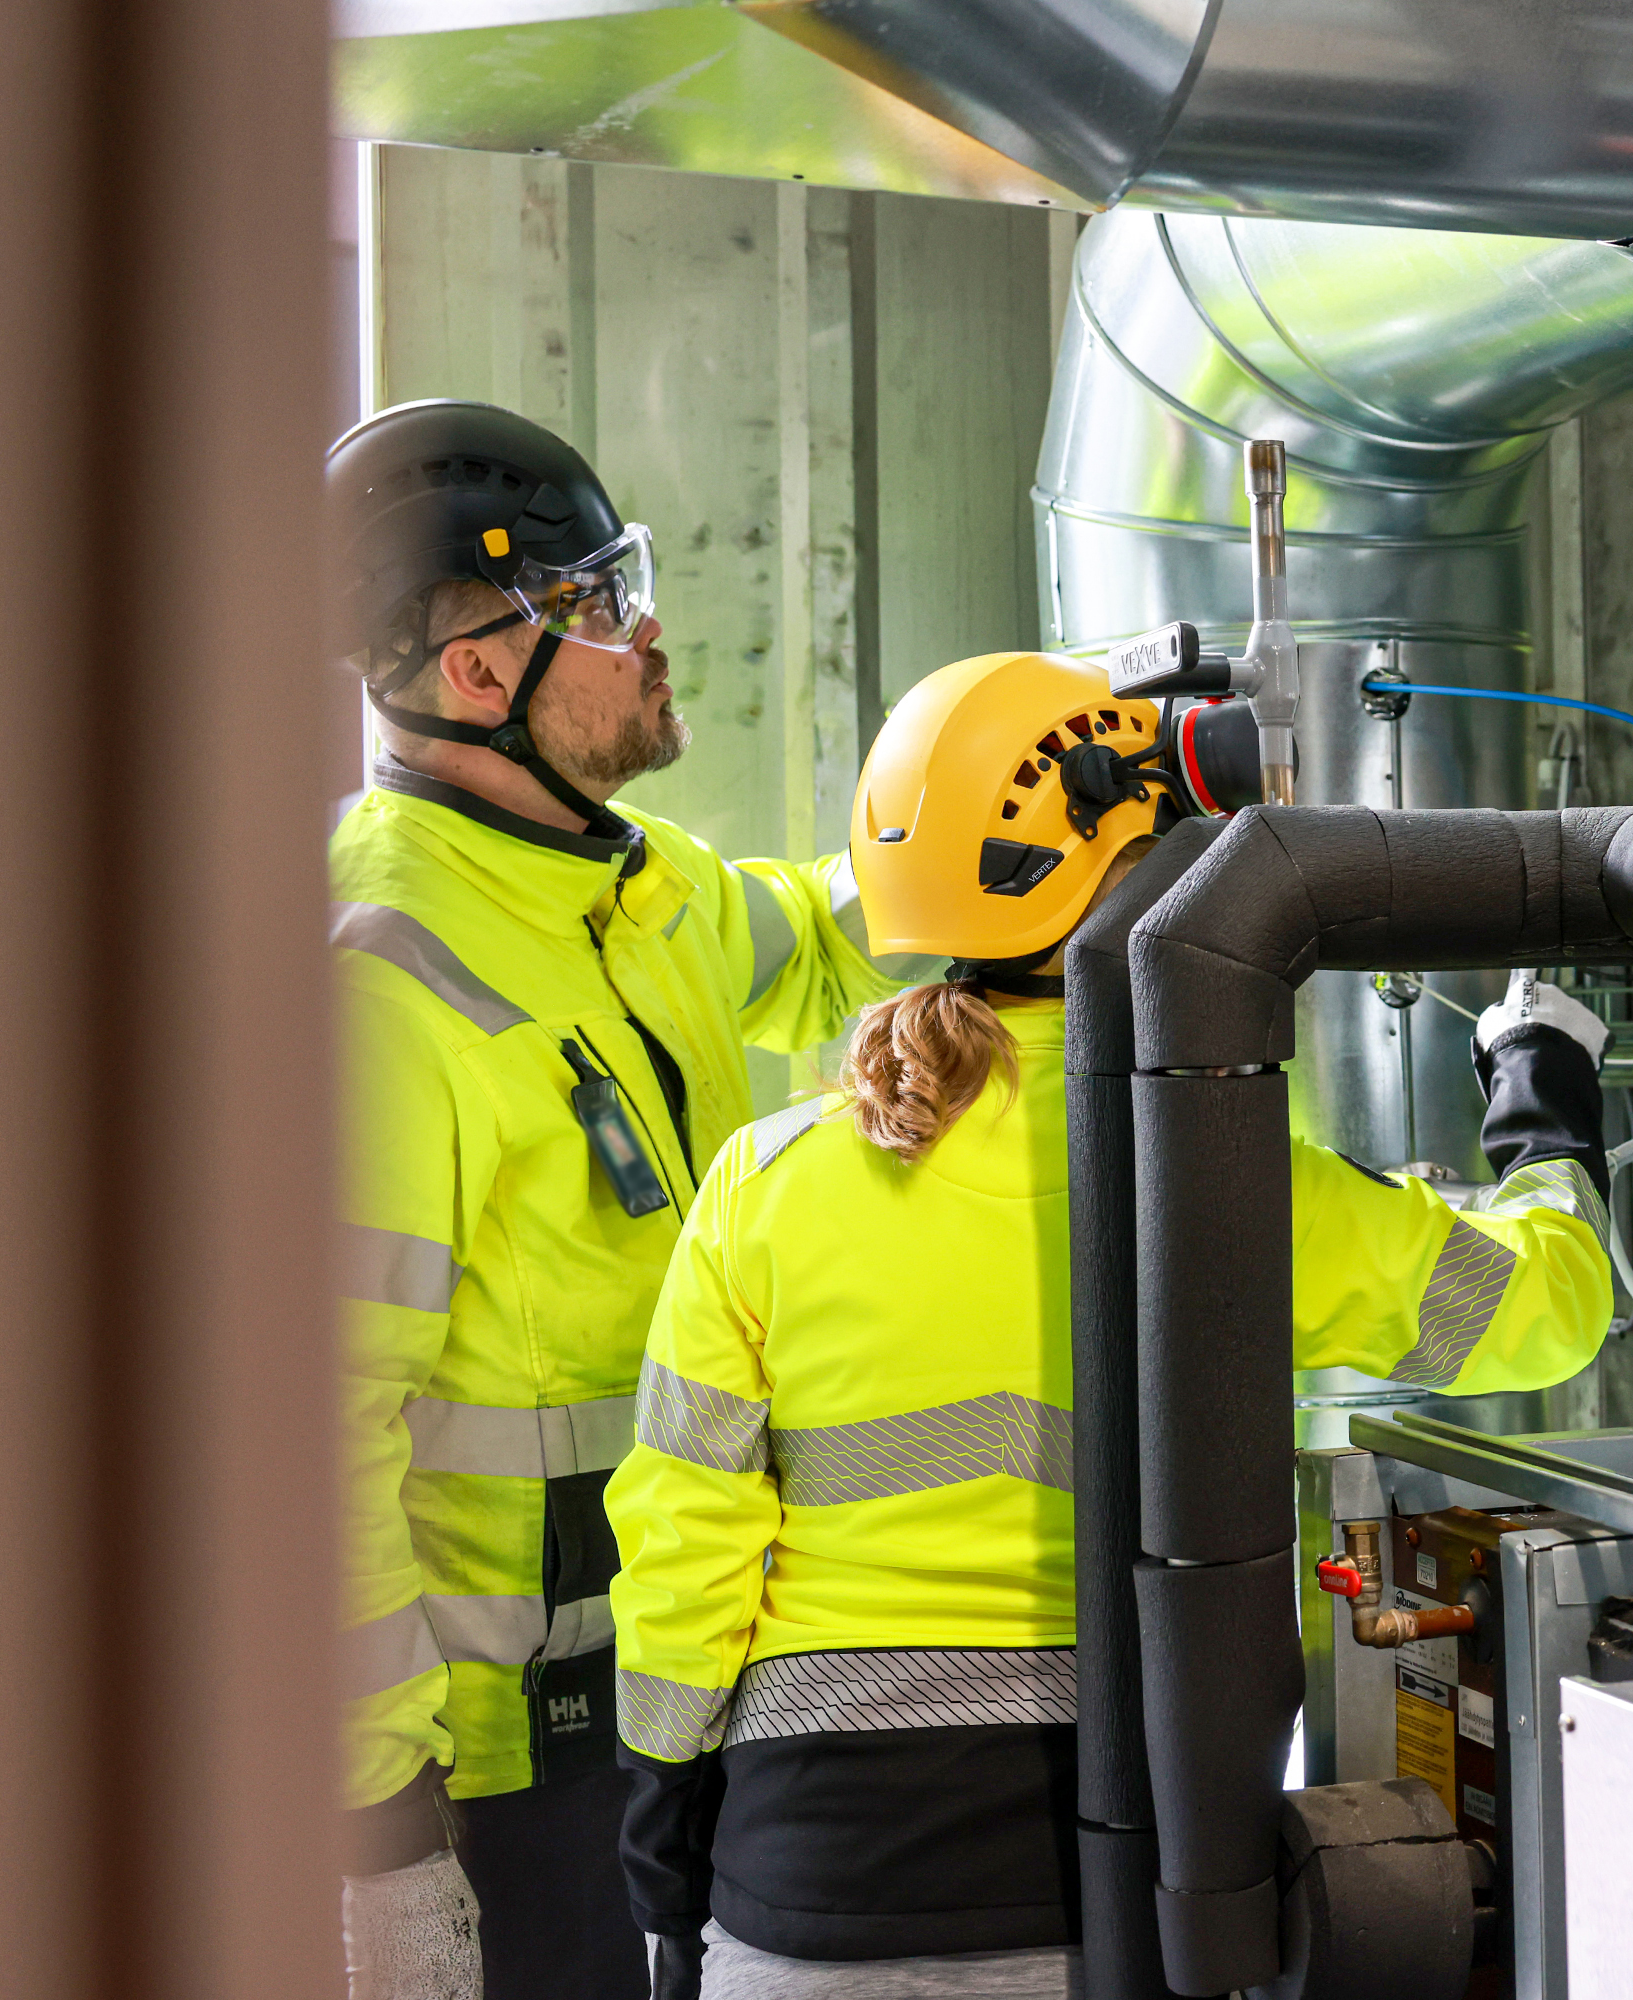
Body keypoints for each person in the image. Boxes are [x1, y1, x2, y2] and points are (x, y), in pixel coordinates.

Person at [600, 651, 1618, 1998]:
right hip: (1109, 1897)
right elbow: (1548, 1311)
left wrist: (668, 1864)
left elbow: (683, 1563)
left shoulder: (765, 1184)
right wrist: (1543, 1099)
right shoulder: (1229, 1173)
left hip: (801, 1896)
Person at [328, 400, 925, 2000]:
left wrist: (1020, 799)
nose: (641, 627)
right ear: (479, 675)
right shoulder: (379, 982)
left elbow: (819, 932)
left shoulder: (629, 886)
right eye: (593, 602)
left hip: (683, 1690)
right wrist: (382, 1833)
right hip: (510, 1773)